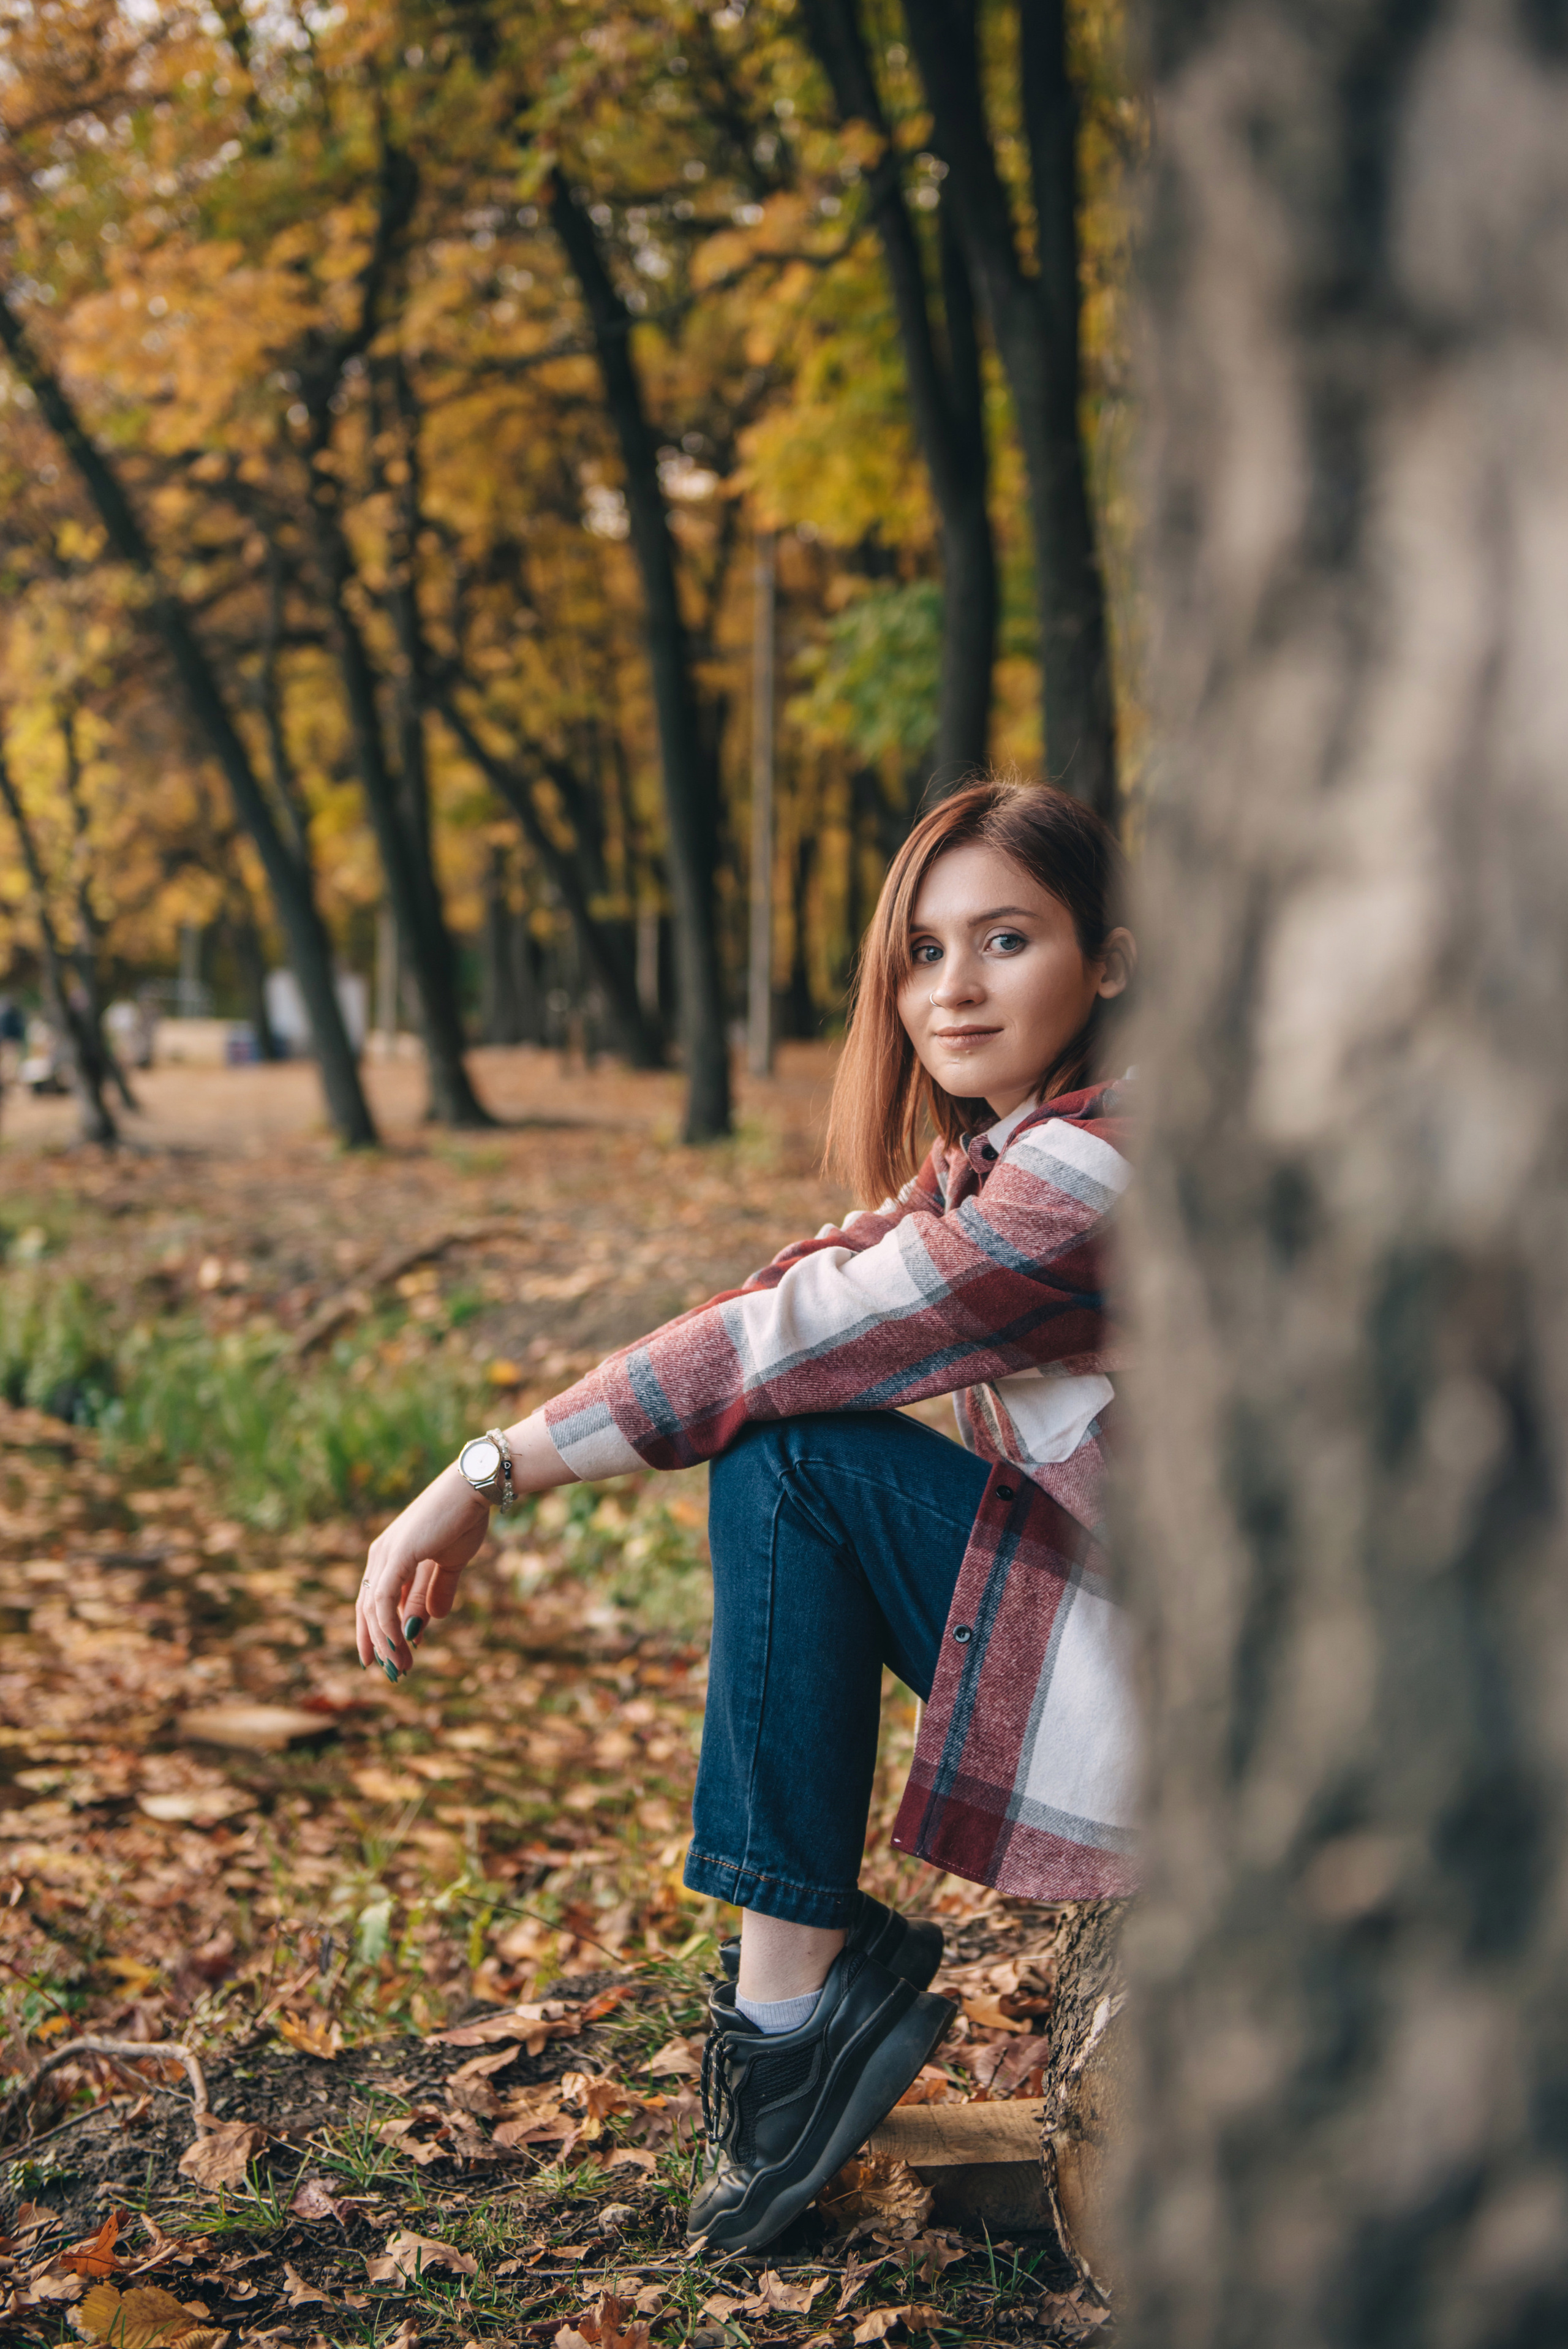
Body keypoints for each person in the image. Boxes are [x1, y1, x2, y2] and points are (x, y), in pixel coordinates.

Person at [356, 776, 1138, 2252]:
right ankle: (791, 2011)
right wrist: (493, 1458)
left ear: (1107, 961)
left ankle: (790, 2020)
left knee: (791, 1461)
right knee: (781, 1441)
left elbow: (790, 1346)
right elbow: (781, 1295)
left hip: (1210, 1715)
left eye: (1005, 940)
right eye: (921, 952)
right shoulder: (1003, 1160)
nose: (951, 990)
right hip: (1157, 1648)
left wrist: (485, 1474)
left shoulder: (1098, 1174)